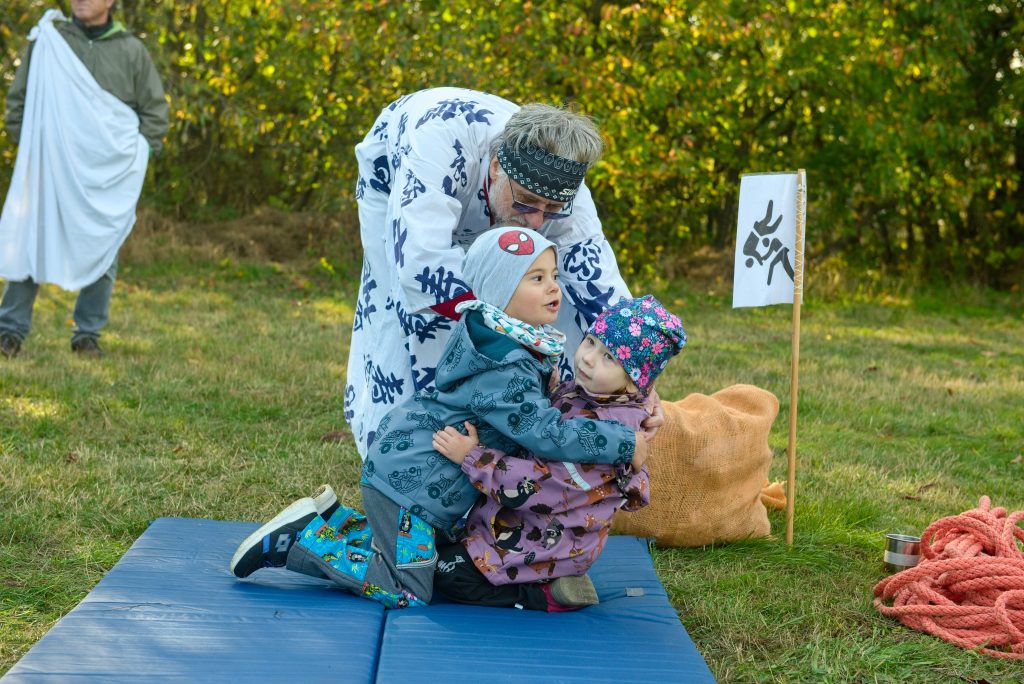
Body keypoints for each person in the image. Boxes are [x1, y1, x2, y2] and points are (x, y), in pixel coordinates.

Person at [230, 228, 650, 612]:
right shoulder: (507, 366)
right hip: (409, 487)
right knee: (409, 589)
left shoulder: (501, 336)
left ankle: (336, 521)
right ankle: (300, 541)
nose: (553, 287)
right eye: (536, 278)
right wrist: (623, 442)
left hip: (414, 478)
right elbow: (546, 433)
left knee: (416, 556)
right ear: (500, 289)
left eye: (553, 275)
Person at [344, 87, 658, 458]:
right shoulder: (434, 148)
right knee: (413, 307)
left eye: (552, 209)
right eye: (526, 202)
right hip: (395, 173)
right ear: (496, 166)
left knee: (552, 298)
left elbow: (601, 289)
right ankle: (397, 442)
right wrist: (511, 336)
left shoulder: (564, 185)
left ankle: (549, 426)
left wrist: (639, 379)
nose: (537, 221)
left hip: (481, 189)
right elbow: (422, 268)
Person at [430, 295, 686, 611]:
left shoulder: (604, 439)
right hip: (530, 527)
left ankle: (544, 594)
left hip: (544, 545)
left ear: (634, 383)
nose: (588, 358)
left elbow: (538, 486)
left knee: (448, 574)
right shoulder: (592, 394)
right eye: (590, 342)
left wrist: (473, 457)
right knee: (439, 546)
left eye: (608, 357)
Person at [0, 1, 168, 359]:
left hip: (105, 175)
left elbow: (154, 111)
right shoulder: (50, 40)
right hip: (51, 165)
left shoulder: (130, 50)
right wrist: (32, 146)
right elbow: (20, 100)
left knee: (102, 244)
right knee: (33, 238)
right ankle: (9, 331)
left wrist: (139, 156)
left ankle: (87, 335)